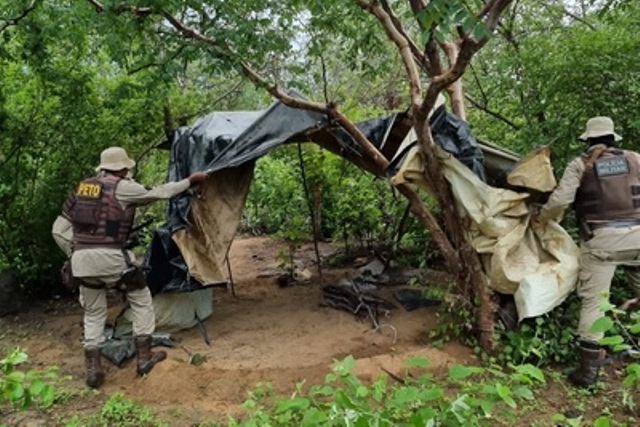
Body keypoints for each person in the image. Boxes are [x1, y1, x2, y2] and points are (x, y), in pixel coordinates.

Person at [54, 146, 208, 388]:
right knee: (141, 297)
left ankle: (93, 370)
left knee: (94, 312)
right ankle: (144, 358)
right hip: (111, 258)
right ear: (123, 168)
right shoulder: (122, 187)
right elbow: (161, 192)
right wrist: (190, 180)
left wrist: (76, 253)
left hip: (80, 261)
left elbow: (58, 230)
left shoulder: (82, 189)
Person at [535, 116, 640, 387]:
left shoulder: (580, 164)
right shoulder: (635, 159)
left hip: (602, 244)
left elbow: (560, 201)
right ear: (613, 138)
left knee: (594, 302)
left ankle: (588, 373)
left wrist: (544, 219)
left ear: (588, 140)